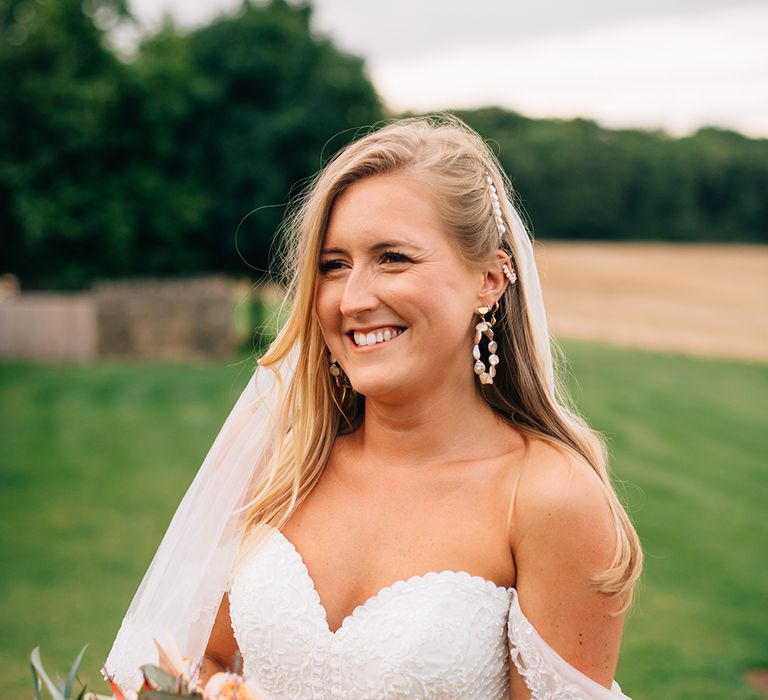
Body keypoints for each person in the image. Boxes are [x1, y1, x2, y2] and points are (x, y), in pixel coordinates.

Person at [104, 114, 643, 699]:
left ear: (490, 277)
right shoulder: (285, 467)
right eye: (333, 266)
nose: (353, 300)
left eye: (393, 258)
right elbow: (196, 661)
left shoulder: (548, 499)